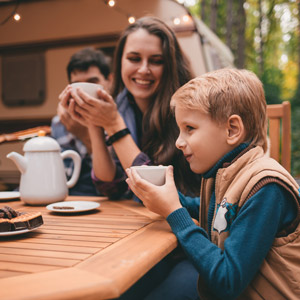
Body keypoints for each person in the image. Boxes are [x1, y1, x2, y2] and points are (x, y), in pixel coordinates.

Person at [126, 68, 300, 299]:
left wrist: (174, 212)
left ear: (232, 130)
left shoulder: (266, 187)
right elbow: (217, 211)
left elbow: (226, 281)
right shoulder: (228, 172)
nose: (179, 142)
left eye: (189, 129)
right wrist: (161, 196)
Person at [59, 16, 200, 200]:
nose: (143, 69)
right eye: (134, 59)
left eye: (156, 61)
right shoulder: (122, 105)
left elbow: (156, 190)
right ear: (120, 63)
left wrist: (114, 125)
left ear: (170, 66)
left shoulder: (186, 110)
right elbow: (110, 186)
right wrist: (94, 121)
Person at [51, 47, 113, 196]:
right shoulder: (60, 122)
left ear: (109, 81)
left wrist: (85, 135)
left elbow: (111, 184)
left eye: (92, 82)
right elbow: (60, 174)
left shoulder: (118, 119)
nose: (83, 93)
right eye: (77, 85)